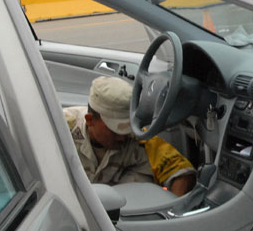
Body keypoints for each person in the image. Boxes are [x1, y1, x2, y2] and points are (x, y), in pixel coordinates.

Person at [63, 76, 196, 196]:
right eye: (115, 131)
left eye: (127, 129)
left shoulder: (136, 137)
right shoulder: (59, 129)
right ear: (90, 120)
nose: (122, 137)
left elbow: (182, 171)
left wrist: (171, 217)